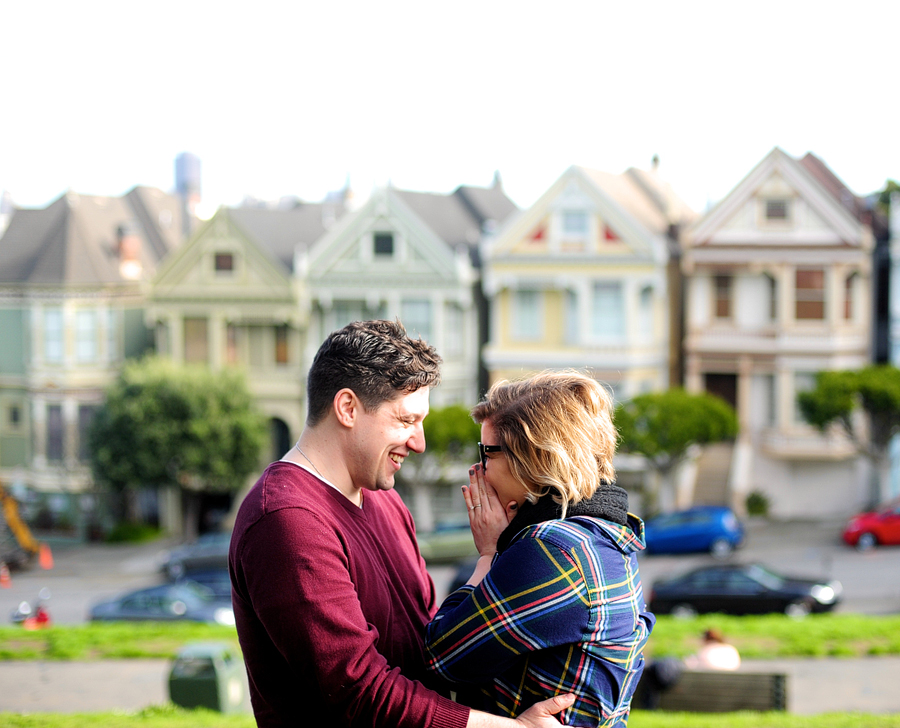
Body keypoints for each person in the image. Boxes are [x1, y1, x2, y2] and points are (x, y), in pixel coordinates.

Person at [229, 320, 575, 728]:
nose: (419, 442)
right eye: (406, 420)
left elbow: (429, 642)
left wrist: (489, 557)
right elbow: (360, 692)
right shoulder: (286, 520)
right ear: (347, 408)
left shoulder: (385, 498)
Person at [424, 370, 655, 727]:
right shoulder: (606, 536)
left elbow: (443, 657)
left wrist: (488, 555)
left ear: (532, 458)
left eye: (487, 454)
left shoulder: (554, 550)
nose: (479, 471)